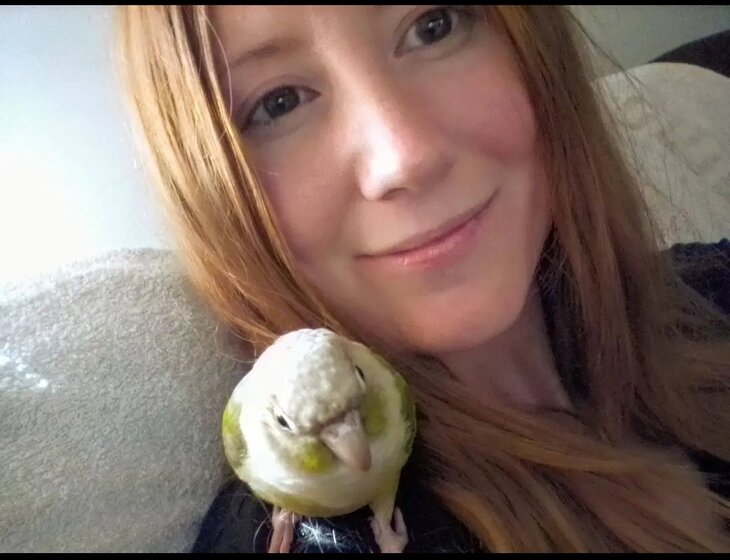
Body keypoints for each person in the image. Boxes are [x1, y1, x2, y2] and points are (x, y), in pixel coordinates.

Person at [116, 5, 730, 552]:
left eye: (433, 26)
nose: (404, 157)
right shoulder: (320, 534)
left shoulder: (706, 286)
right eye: (279, 103)